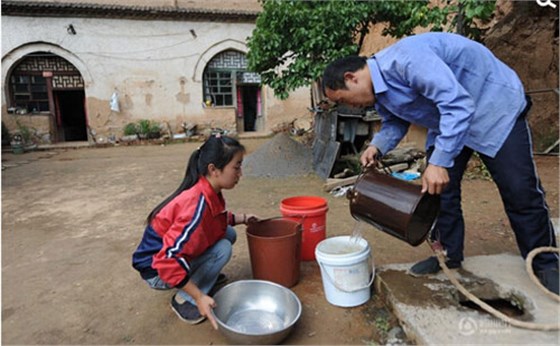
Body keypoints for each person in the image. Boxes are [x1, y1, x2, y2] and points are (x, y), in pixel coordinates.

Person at [322, 32, 559, 294]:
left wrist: (440, 161)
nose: (351, 108)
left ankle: (545, 263)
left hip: (493, 110)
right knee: (437, 192)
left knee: (520, 191)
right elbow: (394, 122)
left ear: (351, 78)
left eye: (344, 100)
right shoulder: (379, 92)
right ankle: (447, 254)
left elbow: (458, 104)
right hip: (447, 122)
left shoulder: (408, 61)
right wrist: (377, 145)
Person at [132, 135, 258, 328]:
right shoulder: (195, 205)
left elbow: (214, 220)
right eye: (237, 166)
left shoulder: (207, 189)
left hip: (165, 257)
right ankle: (185, 299)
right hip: (157, 271)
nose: (240, 173)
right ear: (213, 170)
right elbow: (166, 261)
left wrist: (242, 218)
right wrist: (199, 297)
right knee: (223, 248)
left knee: (229, 233)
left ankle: (203, 278)